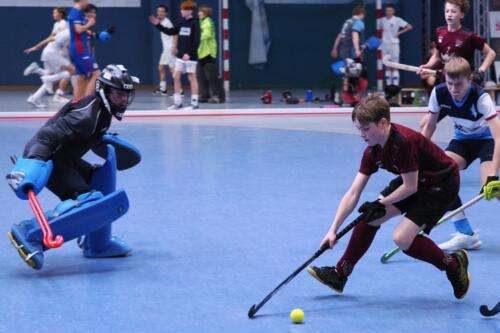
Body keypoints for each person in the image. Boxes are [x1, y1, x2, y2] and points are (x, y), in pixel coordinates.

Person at [307, 96, 470, 300]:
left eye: (366, 128)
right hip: (414, 178)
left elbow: (410, 188)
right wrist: (332, 230)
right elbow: (353, 192)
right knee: (370, 217)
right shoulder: (373, 150)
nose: (361, 134)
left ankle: (453, 264)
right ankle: (340, 274)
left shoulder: (404, 142)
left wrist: (381, 202)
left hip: (441, 184)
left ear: (383, 123)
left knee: (401, 239)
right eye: (358, 129)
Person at [6, 64, 141, 270]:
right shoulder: (87, 116)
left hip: (66, 158)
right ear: (103, 91)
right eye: (118, 94)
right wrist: (32, 162)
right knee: (87, 201)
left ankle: (97, 245)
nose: (123, 100)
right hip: (49, 160)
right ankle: (30, 234)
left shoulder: (101, 111)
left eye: (125, 95)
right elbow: (47, 136)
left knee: (100, 181)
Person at [420, 57, 500, 251]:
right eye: (449, 84)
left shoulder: (481, 97)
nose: (454, 89)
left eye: (459, 84)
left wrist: (492, 177)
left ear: (469, 80)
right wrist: (417, 158)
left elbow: (498, 136)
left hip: (487, 141)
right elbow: (429, 127)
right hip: (462, 141)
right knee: (440, 175)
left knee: (492, 189)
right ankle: (466, 234)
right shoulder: (439, 93)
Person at [419, 0, 496, 87]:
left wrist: (480, 71)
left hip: (463, 82)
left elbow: (491, 53)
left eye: (453, 11)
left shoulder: (469, 36)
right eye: (447, 11)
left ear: (462, 14)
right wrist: (428, 65)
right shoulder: (439, 32)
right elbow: (437, 57)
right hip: (446, 81)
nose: (449, 14)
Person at [150, 0, 201, 111]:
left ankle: (194, 104)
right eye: (181, 9)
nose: (181, 11)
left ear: (189, 11)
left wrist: (189, 53)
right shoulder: (181, 23)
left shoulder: (195, 23)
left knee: (191, 77)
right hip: (180, 57)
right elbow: (170, 31)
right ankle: (177, 103)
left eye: (183, 9)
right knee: (175, 77)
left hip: (190, 57)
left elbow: (197, 41)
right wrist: (158, 25)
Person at [23, 7, 73, 107]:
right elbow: (52, 38)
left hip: (51, 52)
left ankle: (34, 98)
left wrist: (36, 47)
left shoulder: (63, 24)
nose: (53, 14)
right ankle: (38, 71)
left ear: (61, 14)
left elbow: (52, 38)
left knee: (51, 76)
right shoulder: (61, 25)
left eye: (55, 12)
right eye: (53, 12)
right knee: (69, 72)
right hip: (55, 53)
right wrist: (36, 47)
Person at [330, 5, 366, 105]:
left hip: (343, 50)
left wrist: (334, 48)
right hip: (351, 52)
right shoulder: (358, 22)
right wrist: (357, 49)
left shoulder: (347, 22)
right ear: (362, 14)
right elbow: (355, 34)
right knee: (355, 72)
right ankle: (354, 96)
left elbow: (340, 35)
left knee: (347, 73)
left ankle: (346, 96)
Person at [67, 0, 100, 99]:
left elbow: (83, 31)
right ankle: (87, 102)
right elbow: (78, 29)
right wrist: (89, 23)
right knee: (97, 74)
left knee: (81, 77)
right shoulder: (75, 12)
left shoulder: (77, 13)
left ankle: (75, 103)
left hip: (78, 48)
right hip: (80, 48)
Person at [378, 4, 412, 86]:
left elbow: (409, 26)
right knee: (387, 65)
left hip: (394, 44)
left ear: (393, 11)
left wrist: (399, 33)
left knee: (395, 65)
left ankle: (395, 86)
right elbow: (378, 30)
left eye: (390, 10)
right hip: (384, 44)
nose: (388, 12)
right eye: (387, 11)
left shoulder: (397, 20)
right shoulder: (382, 20)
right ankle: (389, 86)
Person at [197, 5, 224, 103]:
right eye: (199, 12)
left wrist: (196, 37)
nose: (199, 13)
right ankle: (205, 95)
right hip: (201, 53)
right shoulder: (201, 22)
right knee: (201, 76)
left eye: (201, 12)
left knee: (211, 77)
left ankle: (218, 96)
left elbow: (206, 34)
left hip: (208, 53)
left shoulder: (207, 22)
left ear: (205, 14)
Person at [153, 4, 175, 96]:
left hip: (170, 49)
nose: (160, 13)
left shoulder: (167, 23)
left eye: (162, 11)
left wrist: (174, 46)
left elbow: (175, 34)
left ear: (166, 13)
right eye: (158, 11)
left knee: (173, 70)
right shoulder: (161, 22)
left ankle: (179, 91)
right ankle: (163, 89)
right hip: (166, 49)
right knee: (161, 68)